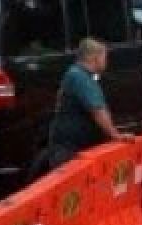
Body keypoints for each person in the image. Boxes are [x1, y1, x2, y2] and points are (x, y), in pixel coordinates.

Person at [45, 39, 129, 169]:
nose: (106, 61)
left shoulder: (76, 74)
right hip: (69, 150)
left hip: (70, 146)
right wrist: (115, 135)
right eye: (104, 57)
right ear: (94, 58)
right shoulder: (80, 78)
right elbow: (98, 110)